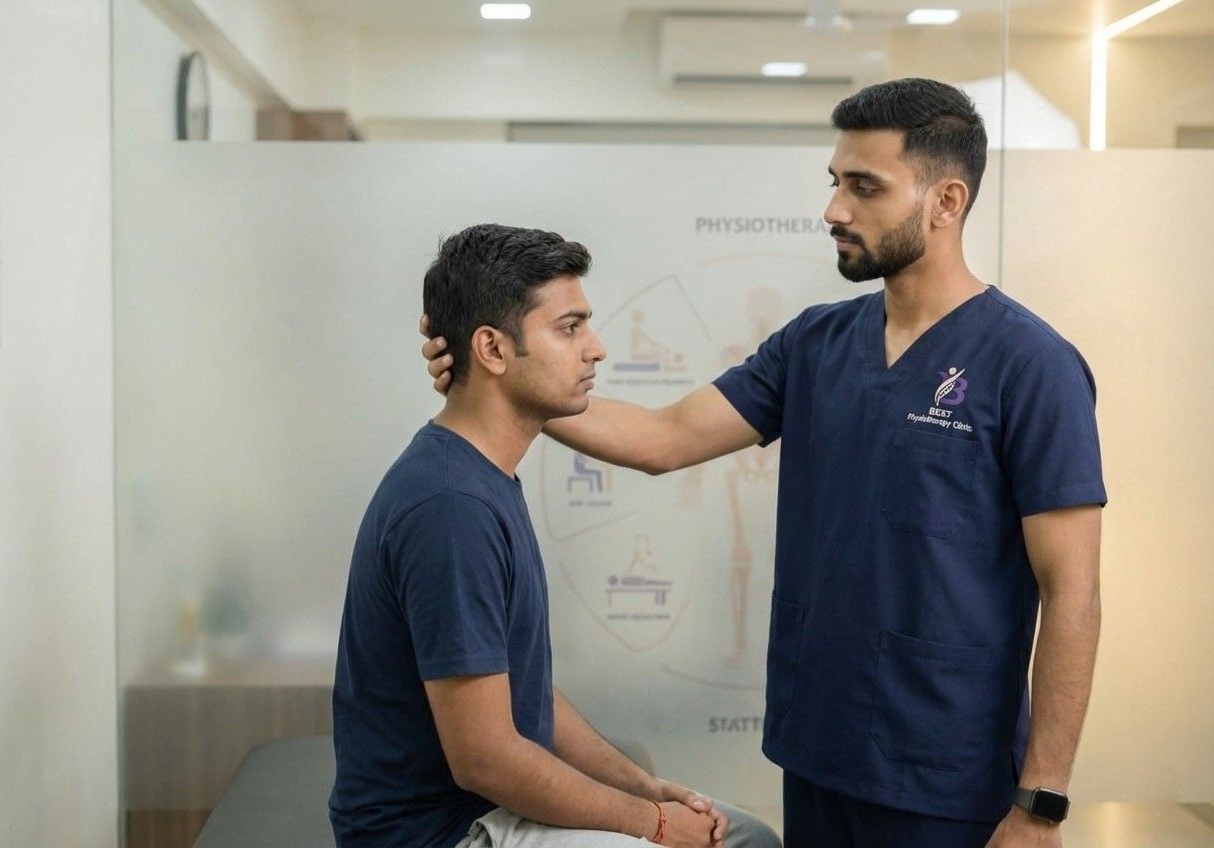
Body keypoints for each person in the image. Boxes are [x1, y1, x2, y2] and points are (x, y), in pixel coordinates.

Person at [422, 80, 1106, 848]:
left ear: (946, 202)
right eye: (835, 182)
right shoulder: (815, 344)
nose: (834, 211)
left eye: (864, 187)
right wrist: (506, 381)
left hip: (945, 774)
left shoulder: (1032, 366)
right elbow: (663, 437)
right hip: (817, 750)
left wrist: (1040, 801)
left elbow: (1072, 593)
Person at [331, 223, 782, 848]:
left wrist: (645, 792)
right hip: (443, 835)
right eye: (570, 328)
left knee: (749, 837)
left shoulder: (481, 477)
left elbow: (524, 696)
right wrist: (654, 825)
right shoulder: (451, 506)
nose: (596, 348)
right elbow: (485, 759)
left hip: (482, 812)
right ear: (492, 349)